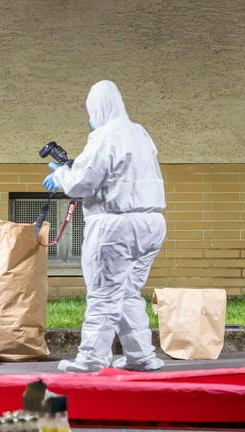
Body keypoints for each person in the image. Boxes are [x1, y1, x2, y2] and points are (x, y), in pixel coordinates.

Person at [43, 80, 167, 372]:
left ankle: (92, 359)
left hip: (115, 226)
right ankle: (141, 356)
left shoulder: (104, 137)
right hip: (152, 223)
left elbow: (82, 183)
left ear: (97, 107)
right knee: (125, 292)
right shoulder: (140, 133)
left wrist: (61, 174)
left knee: (103, 293)